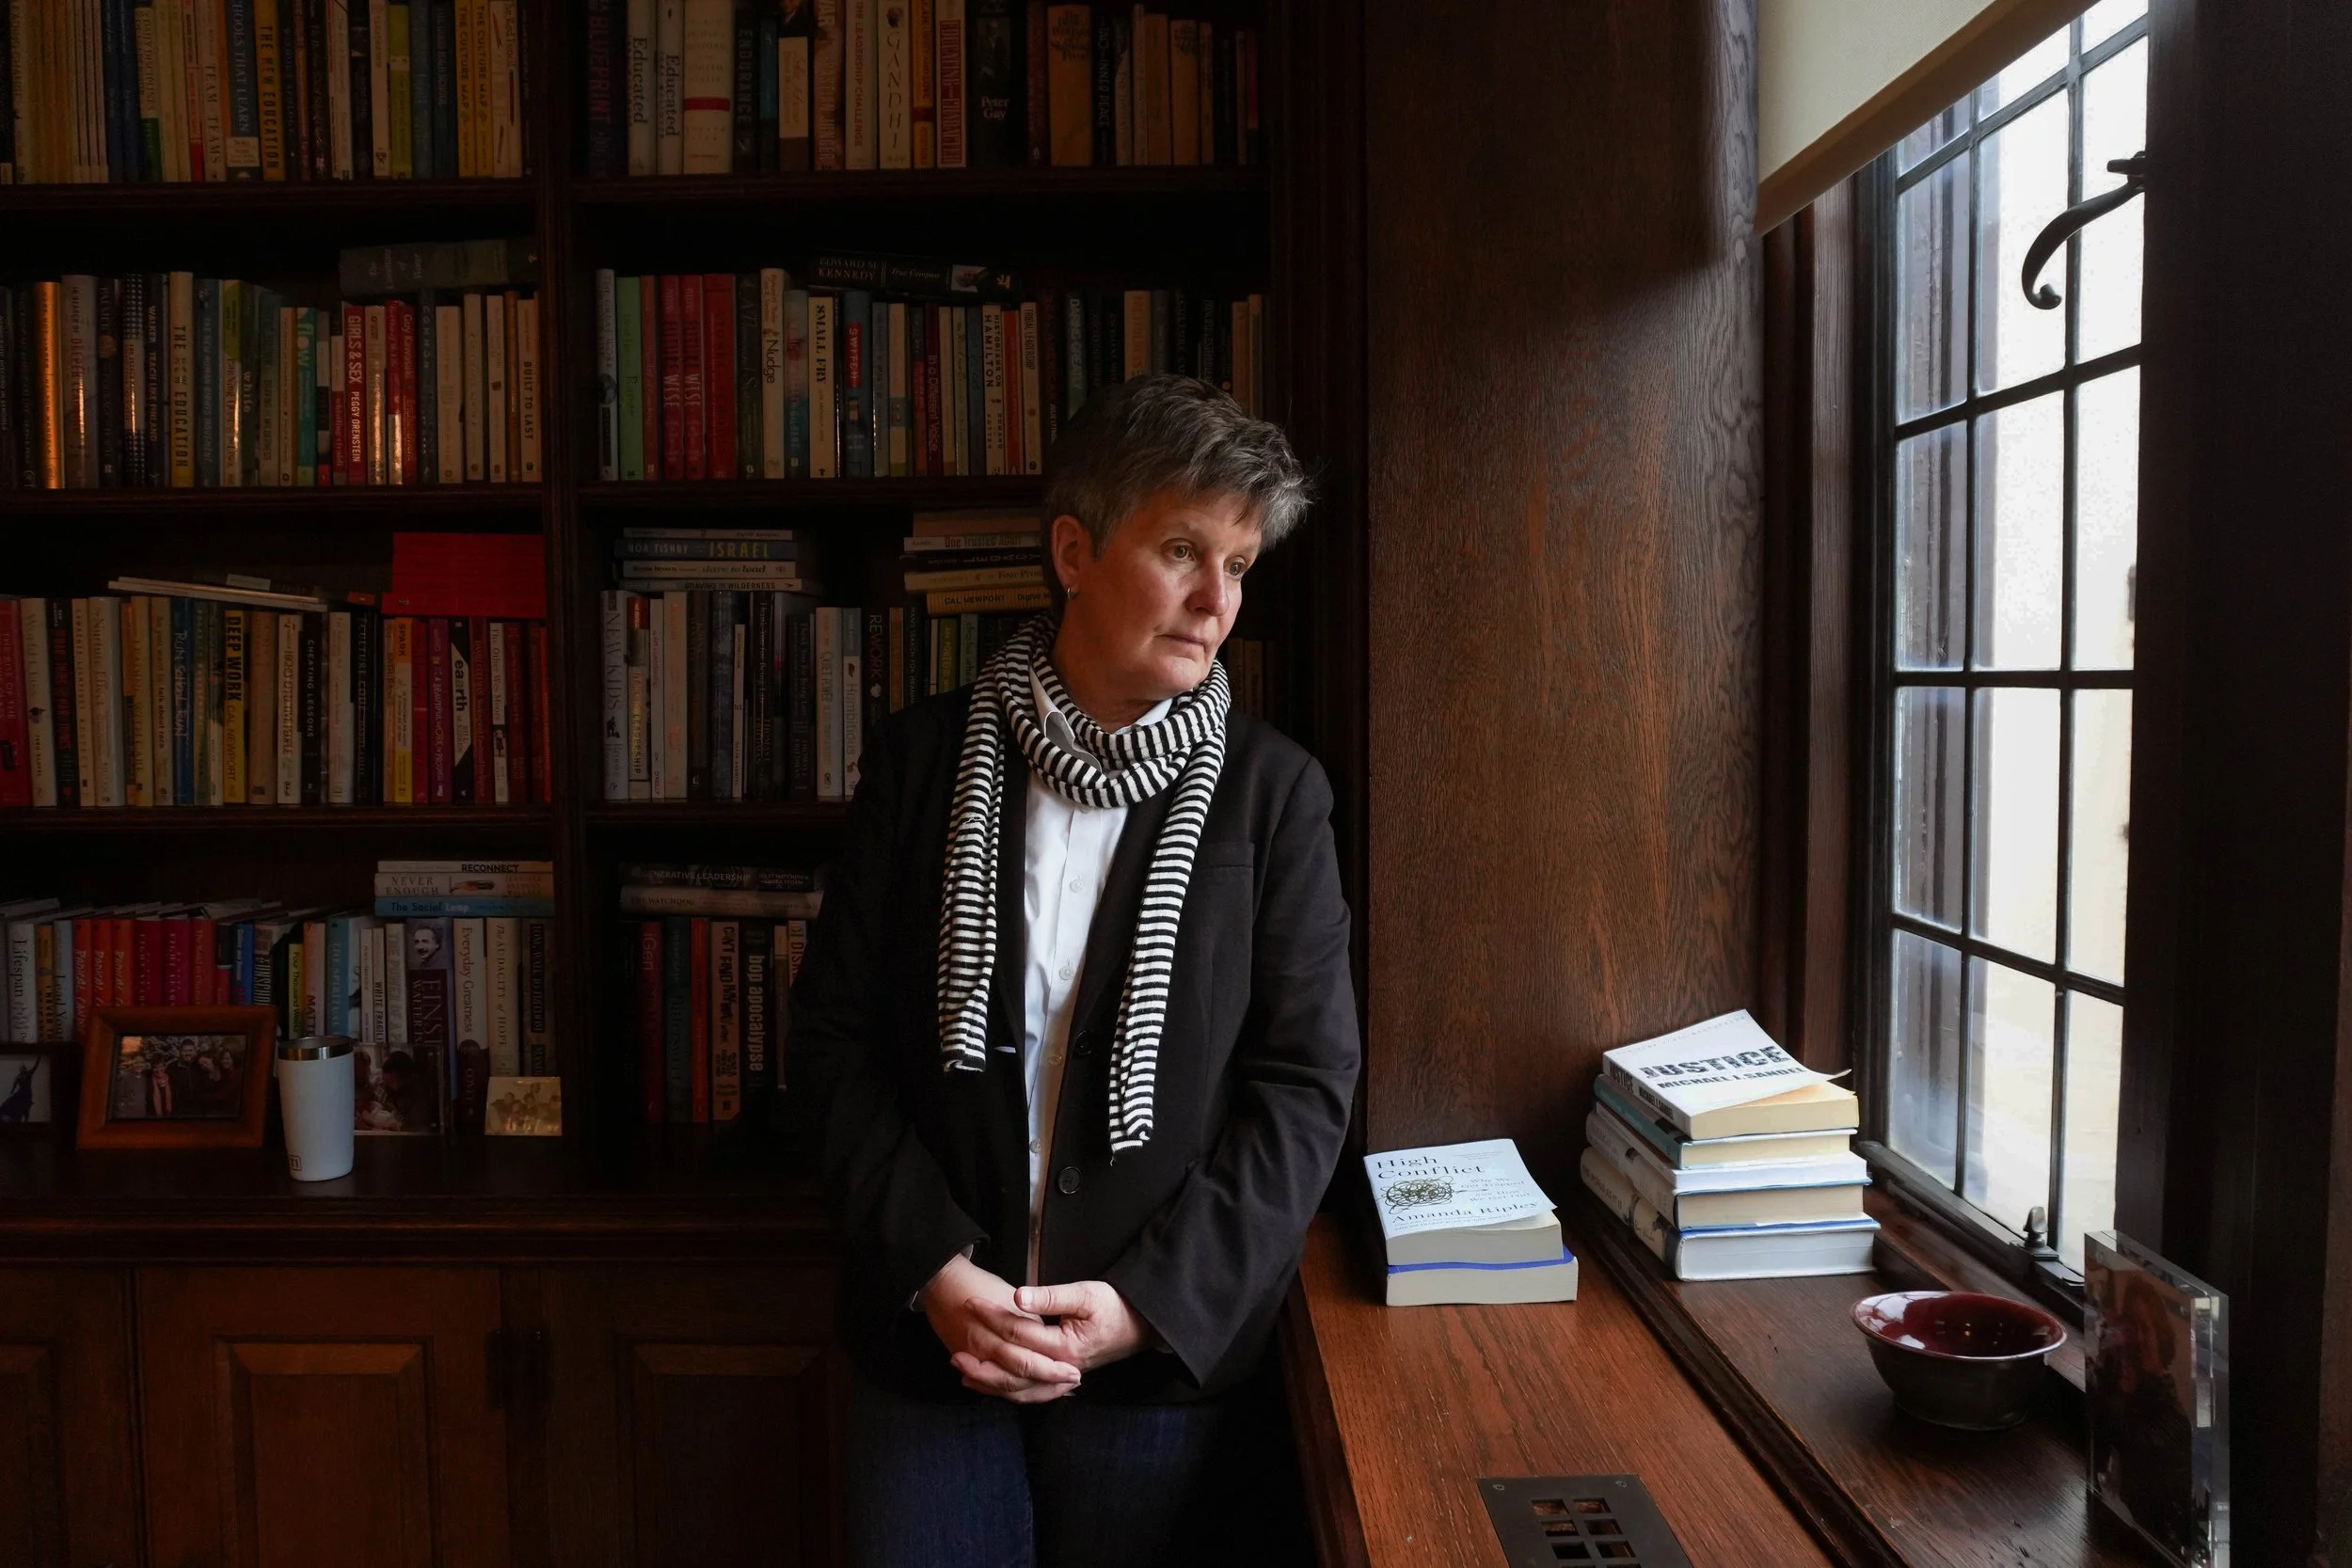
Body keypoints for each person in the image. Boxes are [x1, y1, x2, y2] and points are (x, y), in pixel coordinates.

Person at [789, 375, 1360, 1567]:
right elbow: (833, 1047)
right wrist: (934, 1270)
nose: (1216, 601)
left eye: (1239, 565)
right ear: (1072, 551)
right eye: (1182, 550)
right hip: (932, 1347)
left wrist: (1142, 1306)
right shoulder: (919, 763)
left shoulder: (1274, 796)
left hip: (1160, 1367)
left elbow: (1304, 1092)